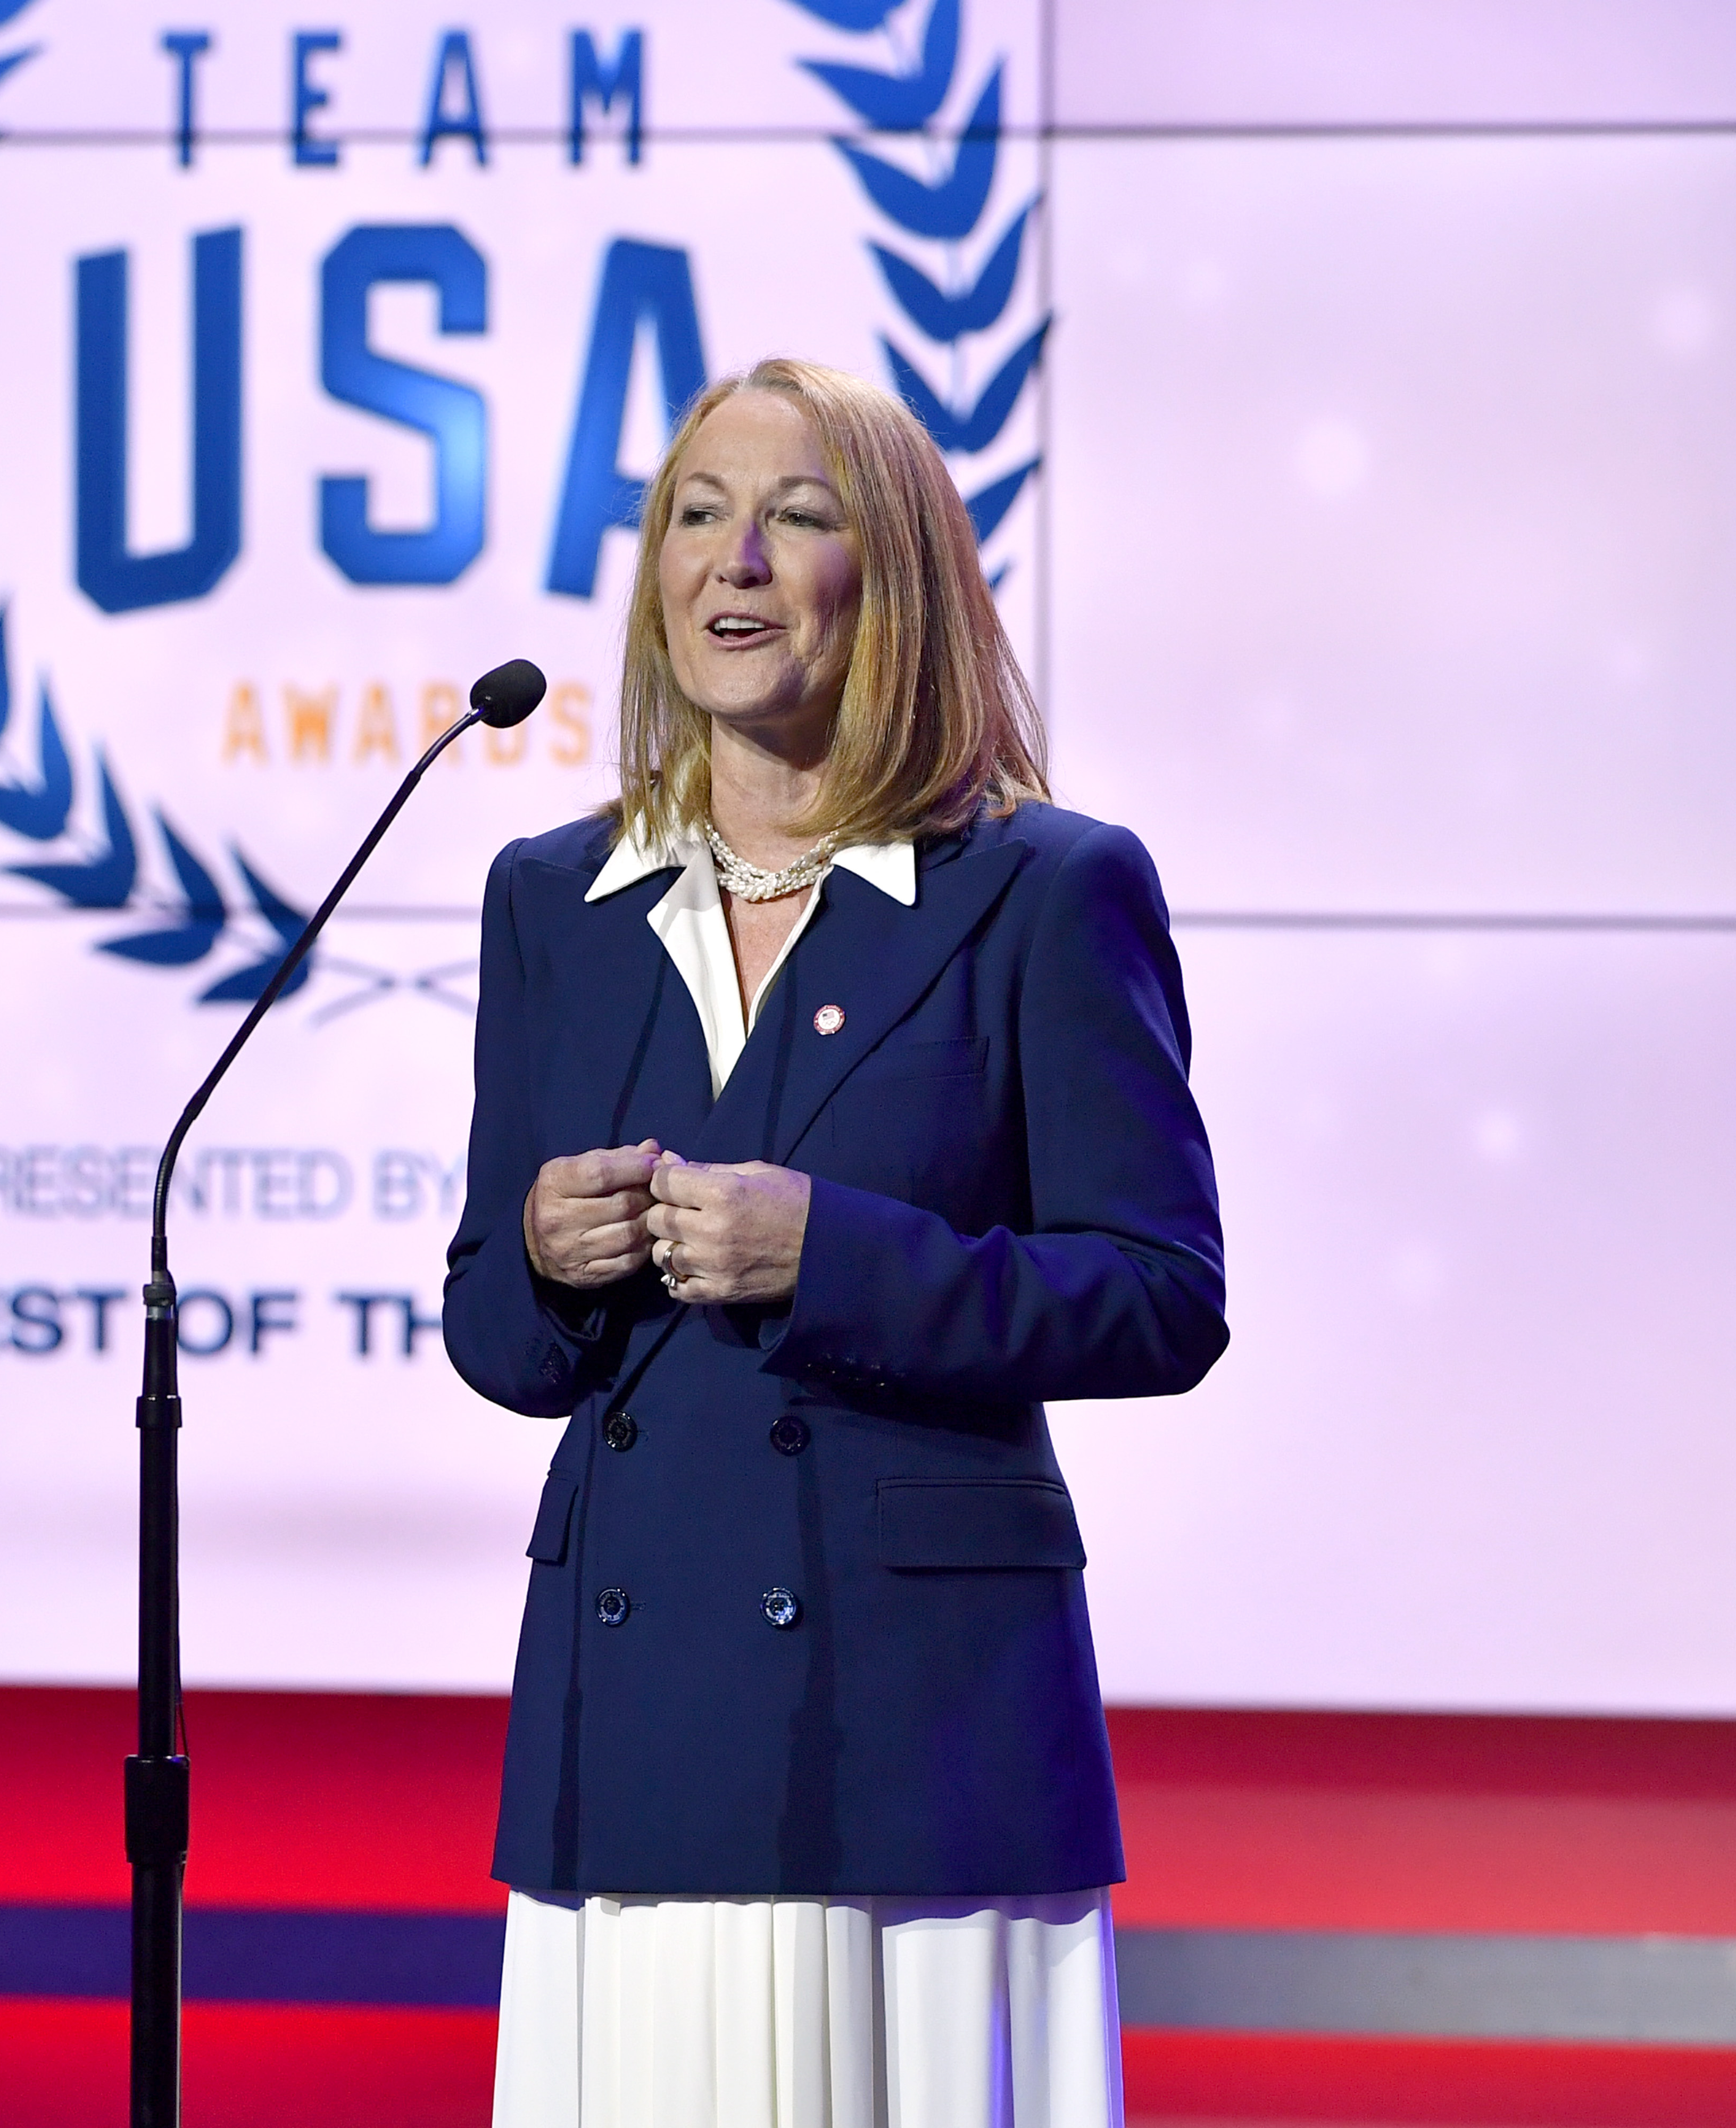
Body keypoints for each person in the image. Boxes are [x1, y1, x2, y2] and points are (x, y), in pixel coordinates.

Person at [440, 358, 1228, 2128]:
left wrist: (837, 1257)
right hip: (632, 1728)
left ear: (897, 579)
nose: (736, 561)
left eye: (797, 518)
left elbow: (1163, 1297)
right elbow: (497, 1339)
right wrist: (551, 1260)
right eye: (697, 518)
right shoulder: (552, 903)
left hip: (917, 1731)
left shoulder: (1046, 889)